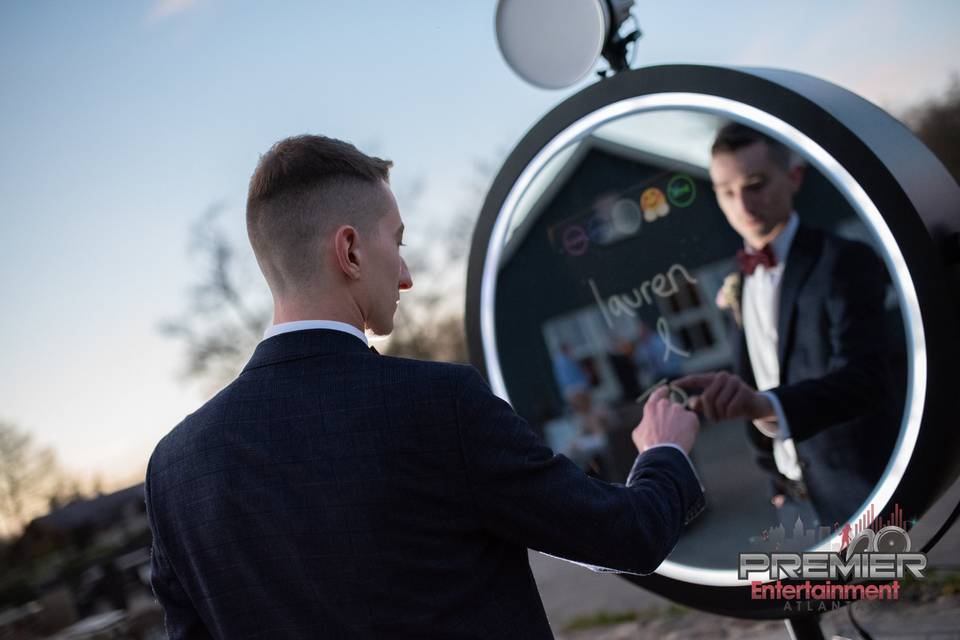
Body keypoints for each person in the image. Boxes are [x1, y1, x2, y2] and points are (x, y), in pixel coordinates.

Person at [144, 134, 705, 639]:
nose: (407, 277)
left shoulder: (173, 470)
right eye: (399, 241)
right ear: (351, 251)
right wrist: (663, 450)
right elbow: (628, 536)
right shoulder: (439, 405)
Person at [676, 123, 898, 530]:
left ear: (793, 177)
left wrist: (767, 407)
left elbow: (868, 380)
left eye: (755, 184)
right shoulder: (736, 280)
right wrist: (774, 477)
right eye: (725, 191)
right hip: (791, 500)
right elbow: (756, 371)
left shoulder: (845, 260)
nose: (741, 204)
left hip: (861, 491)